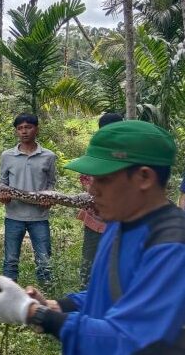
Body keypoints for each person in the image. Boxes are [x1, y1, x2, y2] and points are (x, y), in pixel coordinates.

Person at [0, 120, 185, 355]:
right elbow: (105, 291)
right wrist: (55, 306)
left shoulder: (171, 245)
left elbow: (127, 340)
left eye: (104, 179)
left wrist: (34, 313)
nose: (91, 189)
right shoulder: (120, 223)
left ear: (144, 178)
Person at [0, 113, 57, 287]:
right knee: (10, 260)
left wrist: (49, 197)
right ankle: (8, 298)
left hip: (39, 217)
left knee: (44, 261)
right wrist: (3, 195)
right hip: (13, 216)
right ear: (16, 131)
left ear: (36, 129)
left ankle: (47, 298)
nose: (24, 131)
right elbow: (3, 182)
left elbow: (51, 182)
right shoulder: (7, 156)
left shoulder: (48, 156)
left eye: (28, 127)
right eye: (20, 128)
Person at [77, 113, 123, 286]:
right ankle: (85, 297)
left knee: (116, 264)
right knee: (89, 265)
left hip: (121, 221)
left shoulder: (129, 153)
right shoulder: (94, 151)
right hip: (95, 220)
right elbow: (84, 177)